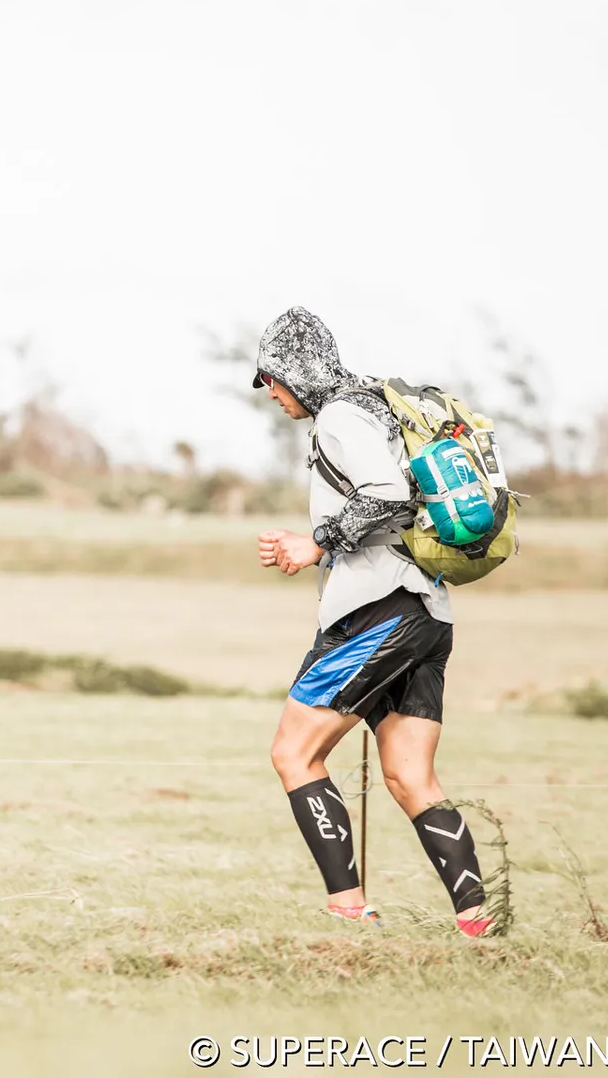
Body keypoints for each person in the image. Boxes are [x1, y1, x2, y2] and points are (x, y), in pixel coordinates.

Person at [250, 306, 491, 938]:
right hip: (428, 611)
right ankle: (476, 923)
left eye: (273, 378)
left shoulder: (340, 416)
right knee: (410, 775)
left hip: (376, 613)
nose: (271, 393)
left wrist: (315, 544)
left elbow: (388, 495)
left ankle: (349, 911)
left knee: (293, 752)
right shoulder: (375, 407)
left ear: (299, 372)